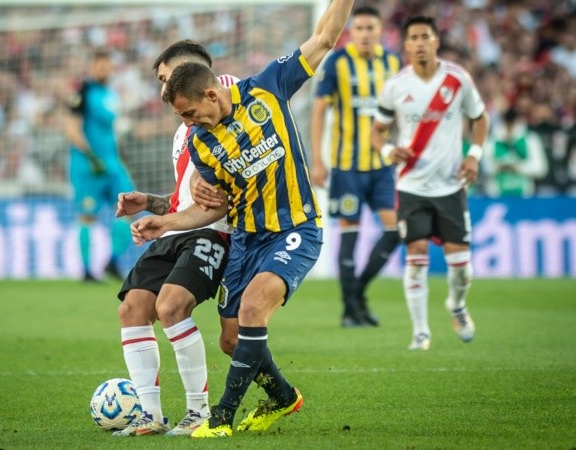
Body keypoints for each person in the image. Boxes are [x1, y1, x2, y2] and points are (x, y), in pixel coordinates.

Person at [132, 0, 355, 438]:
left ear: (211, 94)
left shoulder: (269, 87)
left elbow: (325, 36)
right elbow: (213, 206)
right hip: (246, 240)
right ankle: (284, 397)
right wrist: (167, 221)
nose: (188, 123)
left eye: (189, 113)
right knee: (232, 340)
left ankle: (220, 417)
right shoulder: (202, 144)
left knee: (254, 308)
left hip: (295, 229)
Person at [110, 40, 238, 437]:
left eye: (165, 78)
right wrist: (148, 203)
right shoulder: (182, 130)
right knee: (132, 308)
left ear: (188, 69)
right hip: (180, 228)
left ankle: (198, 412)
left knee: (172, 306)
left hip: (216, 231)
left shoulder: (228, 91)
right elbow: (184, 199)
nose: (163, 90)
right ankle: (150, 415)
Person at [371, 16, 489, 351]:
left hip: (451, 186)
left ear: (436, 41)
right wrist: (390, 149)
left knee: (461, 269)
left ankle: (457, 305)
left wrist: (474, 155)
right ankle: (421, 331)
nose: (420, 42)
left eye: (426, 36)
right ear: (406, 45)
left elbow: (480, 119)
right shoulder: (395, 86)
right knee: (417, 255)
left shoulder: (457, 79)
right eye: (414, 38)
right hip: (412, 186)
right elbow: (375, 131)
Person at [310, 5, 402, 328]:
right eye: (358, 28)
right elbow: (319, 111)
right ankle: (350, 310)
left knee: (395, 230)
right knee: (350, 234)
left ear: (380, 31)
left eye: (370, 28)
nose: (364, 34)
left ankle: (357, 295)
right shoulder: (337, 62)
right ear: (351, 32)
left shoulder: (392, 63)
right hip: (346, 166)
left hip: (381, 167)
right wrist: (318, 160)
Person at [63, 49, 134, 282]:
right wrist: (90, 156)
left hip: (112, 163)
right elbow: (71, 128)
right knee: (87, 217)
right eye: (99, 65)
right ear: (92, 67)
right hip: (87, 165)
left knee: (130, 204)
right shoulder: (83, 92)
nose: (104, 69)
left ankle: (112, 261)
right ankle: (86, 271)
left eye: (107, 65)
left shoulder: (111, 94)